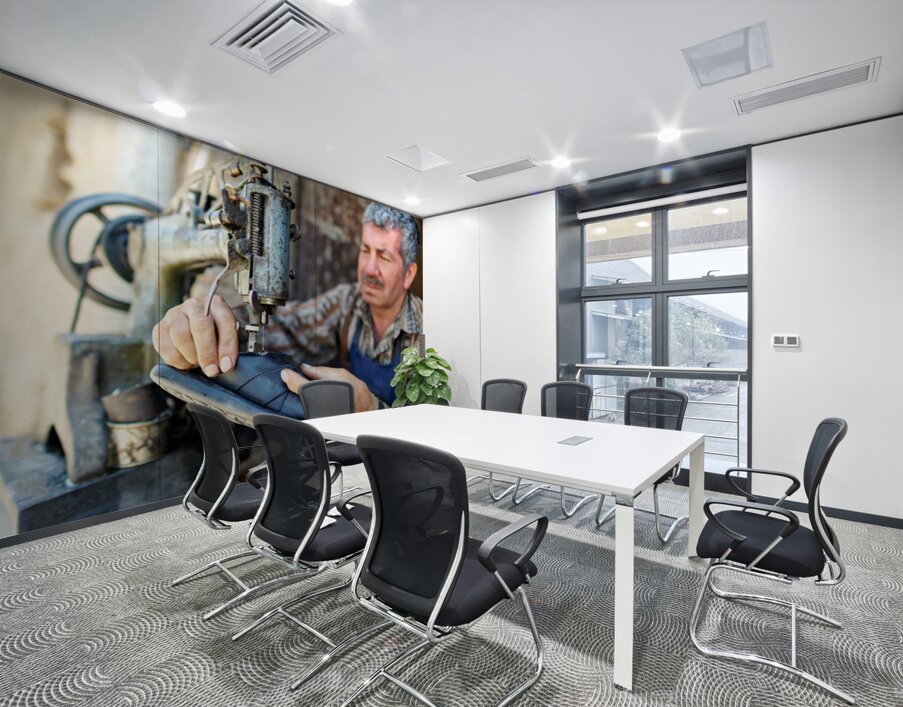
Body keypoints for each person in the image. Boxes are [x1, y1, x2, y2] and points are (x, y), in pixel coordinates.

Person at [152, 202, 423, 412]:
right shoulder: (347, 303)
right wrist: (218, 327)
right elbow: (283, 329)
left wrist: (371, 410)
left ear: (409, 274)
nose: (369, 269)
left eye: (384, 257)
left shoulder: (427, 332)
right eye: (366, 251)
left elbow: (427, 436)